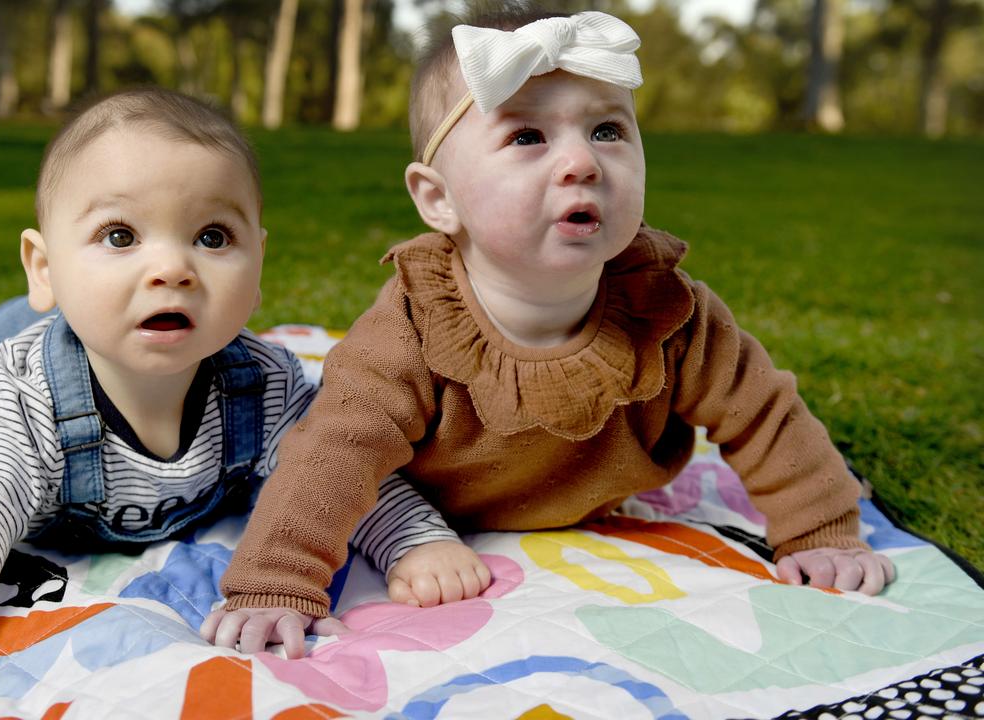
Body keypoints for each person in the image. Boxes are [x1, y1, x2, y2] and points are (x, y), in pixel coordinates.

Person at [201, 7, 896, 658]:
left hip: (596, 501)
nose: (583, 162)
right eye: (528, 136)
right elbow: (336, 452)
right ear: (438, 198)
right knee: (334, 457)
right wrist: (276, 582)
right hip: (427, 500)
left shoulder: (669, 310)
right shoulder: (414, 325)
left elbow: (765, 412)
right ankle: (410, 543)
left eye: (608, 131)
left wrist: (819, 527)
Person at [0, 87, 451, 720]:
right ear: (44, 268)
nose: (172, 268)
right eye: (119, 236)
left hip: (88, 321)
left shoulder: (264, 383)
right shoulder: (18, 402)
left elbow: (328, 469)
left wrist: (413, 542)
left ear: (259, 265)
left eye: (214, 237)